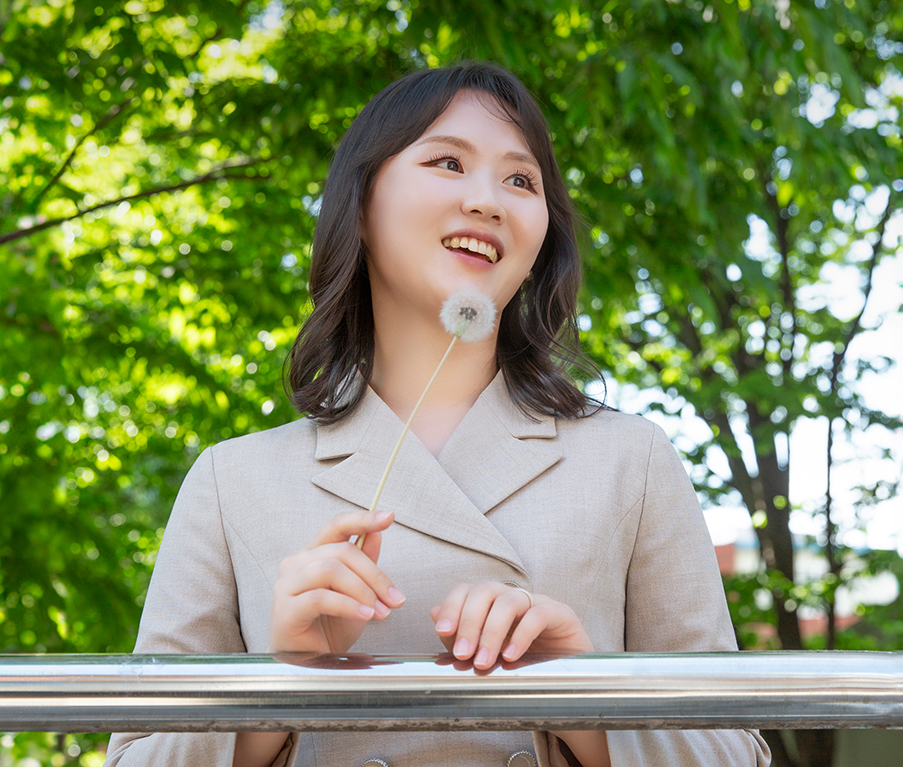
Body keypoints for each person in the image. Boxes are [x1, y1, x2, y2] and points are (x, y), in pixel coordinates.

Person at [105, 62, 771, 767]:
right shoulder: (231, 478)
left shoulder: (630, 459)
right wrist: (279, 683)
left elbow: (732, 747)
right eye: (448, 162)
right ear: (359, 206)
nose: (488, 200)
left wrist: (582, 694)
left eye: (521, 180)